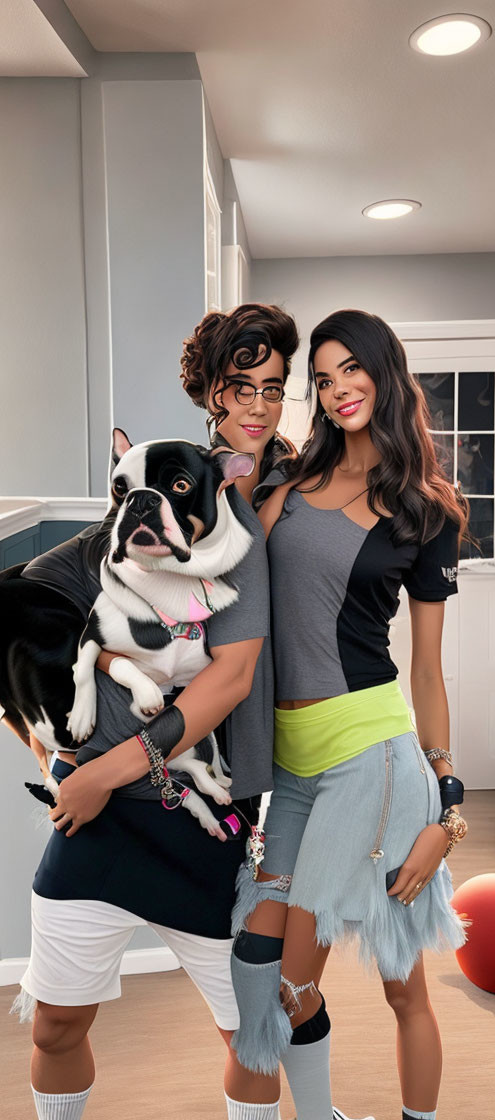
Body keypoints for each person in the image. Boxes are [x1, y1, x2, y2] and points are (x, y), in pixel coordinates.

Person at [8, 304, 303, 1120]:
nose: (255, 403)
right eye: (238, 386)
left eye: (273, 388)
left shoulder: (284, 495)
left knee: (254, 1031)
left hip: (210, 807)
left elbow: (232, 679)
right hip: (96, 814)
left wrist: (97, 772)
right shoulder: (151, 496)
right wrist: (40, 740)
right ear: (209, 395)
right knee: (60, 1020)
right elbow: (19, 607)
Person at [230, 309, 469, 1120]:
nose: (337, 391)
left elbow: (428, 672)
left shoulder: (426, 510)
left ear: (383, 371)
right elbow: (232, 590)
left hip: (372, 758)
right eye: (322, 380)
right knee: (260, 965)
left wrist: (449, 799)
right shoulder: (286, 483)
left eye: (349, 371)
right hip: (292, 768)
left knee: (382, 986)